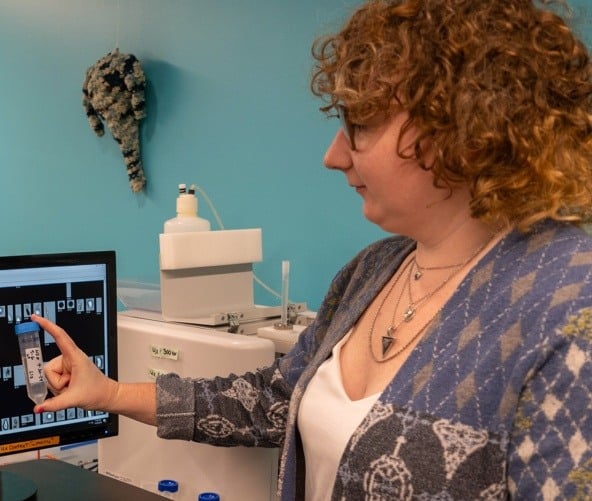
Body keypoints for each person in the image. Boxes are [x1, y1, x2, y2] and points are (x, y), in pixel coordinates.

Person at [32, 0, 592, 498]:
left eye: (361, 126)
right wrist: (107, 392)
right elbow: (275, 401)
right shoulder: (376, 269)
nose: (334, 155)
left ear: (469, 125)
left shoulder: (568, 306)